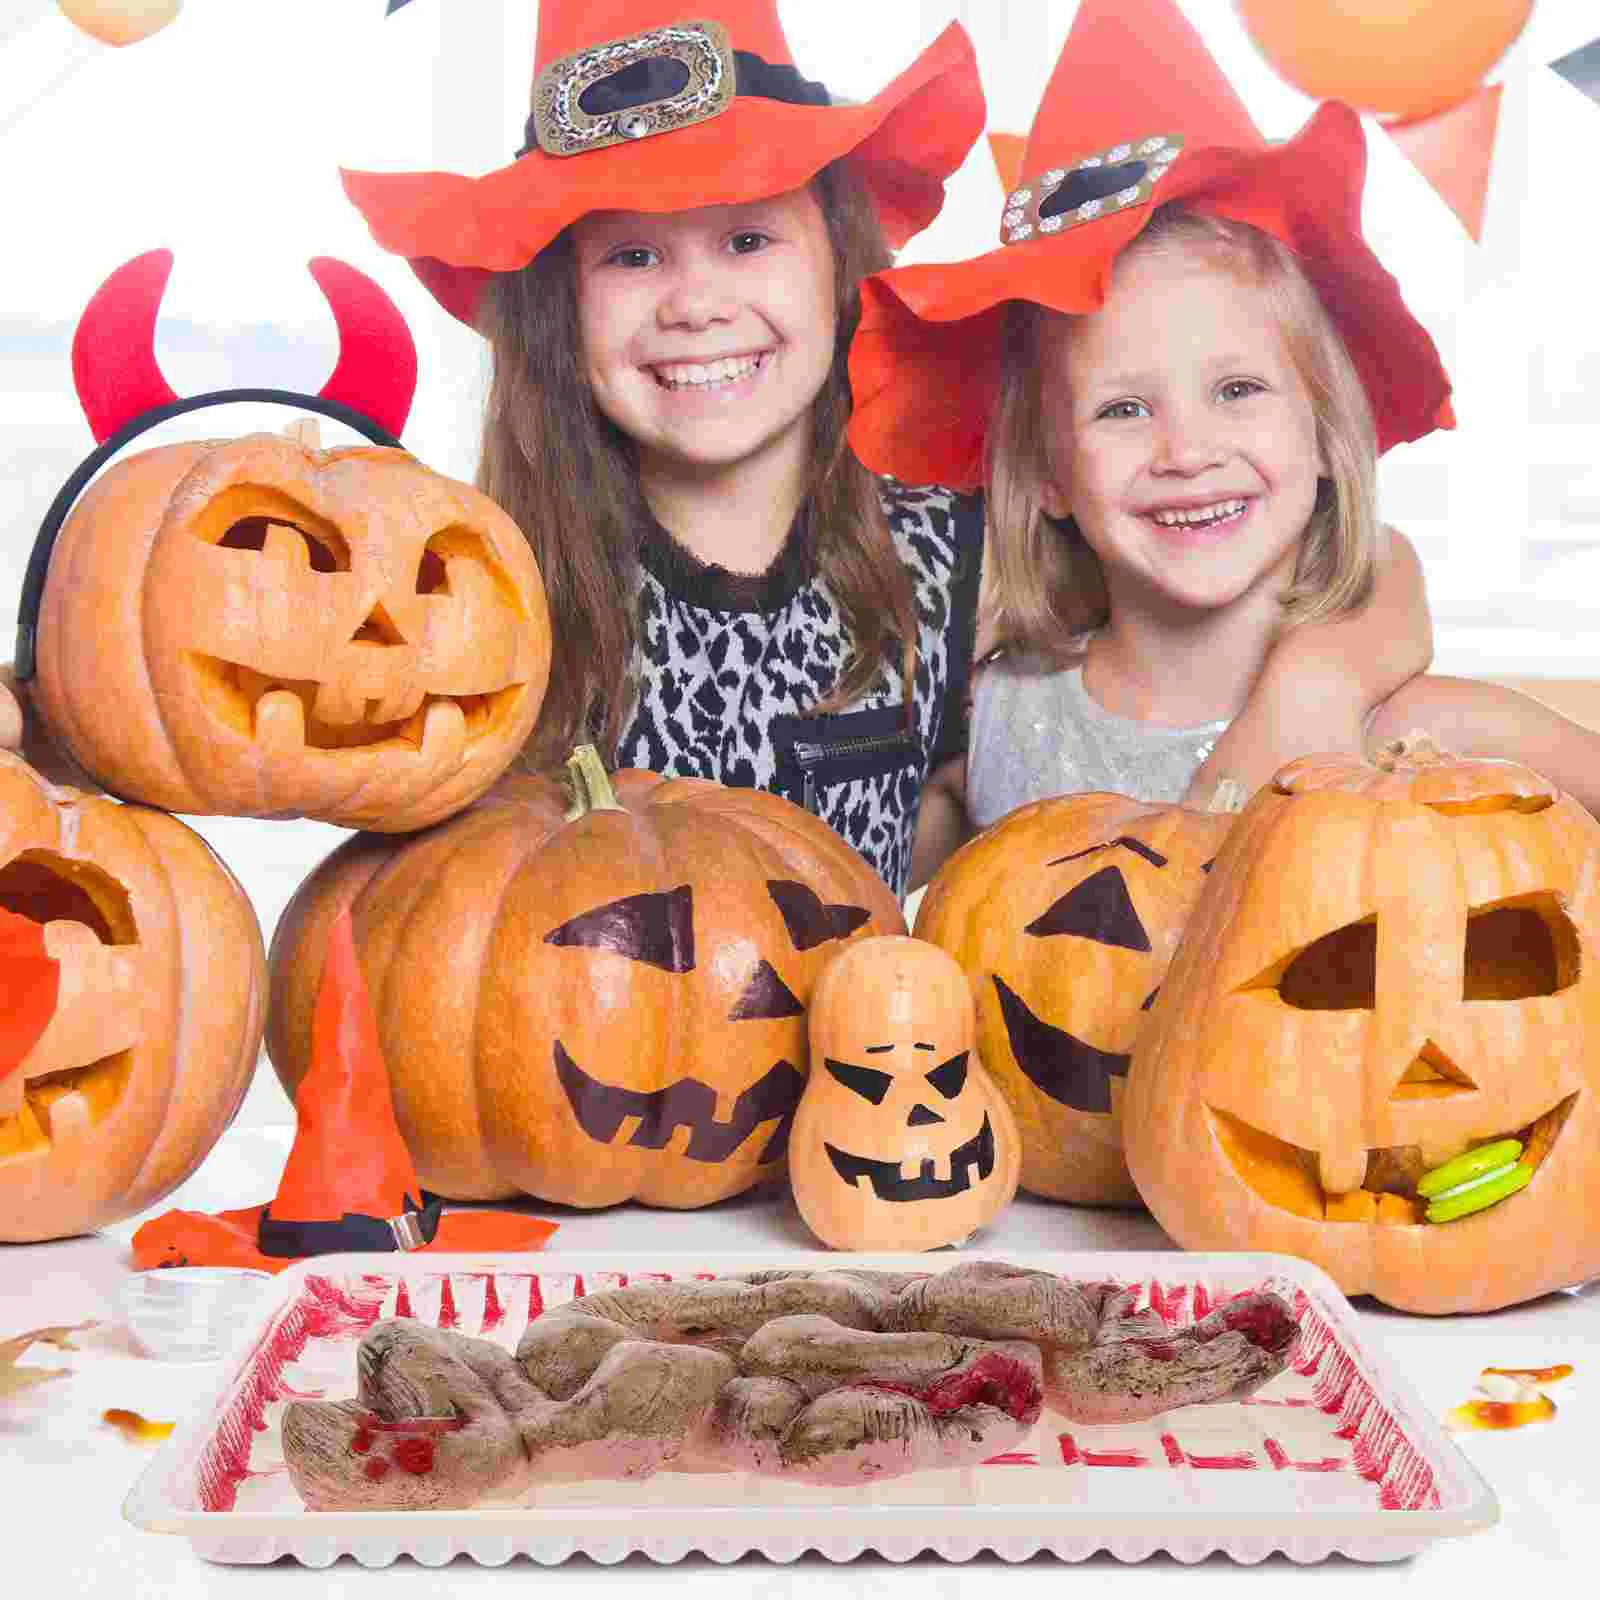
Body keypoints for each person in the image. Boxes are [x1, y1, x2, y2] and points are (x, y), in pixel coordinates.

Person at [848, 0, 1600, 880]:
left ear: (1324, 435)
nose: (1187, 450)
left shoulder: (1416, 728)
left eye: (1237, 390)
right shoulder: (992, 729)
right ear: (1047, 471)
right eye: (1122, 410)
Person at [331, 0, 991, 899]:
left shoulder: (963, 569)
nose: (694, 304)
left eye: (747, 239)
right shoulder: (482, 597)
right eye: (632, 257)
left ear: (839, 265)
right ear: (557, 307)